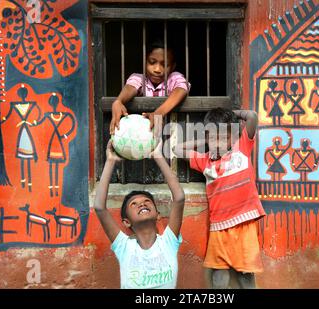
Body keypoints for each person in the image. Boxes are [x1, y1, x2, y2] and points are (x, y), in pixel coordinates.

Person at [174, 107, 265, 289]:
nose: (219, 142)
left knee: (246, 274)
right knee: (219, 275)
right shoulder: (205, 161)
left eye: (224, 136)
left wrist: (232, 115)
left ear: (234, 136)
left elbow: (252, 116)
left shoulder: (242, 148)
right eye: (213, 137)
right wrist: (205, 138)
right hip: (219, 227)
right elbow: (177, 149)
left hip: (244, 224)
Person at [93, 137, 185, 289]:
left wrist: (158, 156)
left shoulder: (168, 242)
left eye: (147, 201)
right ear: (127, 222)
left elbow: (179, 198)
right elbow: (99, 208)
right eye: (134, 204)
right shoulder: (124, 247)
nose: (142, 203)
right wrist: (110, 161)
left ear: (158, 215)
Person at [110, 40, 190, 133]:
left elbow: (181, 89)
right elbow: (131, 86)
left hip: (171, 134)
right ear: (145, 62)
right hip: (142, 135)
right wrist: (119, 101)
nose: (157, 69)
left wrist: (158, 113)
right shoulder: (140, 78)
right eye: (152, 62)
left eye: (164, 65)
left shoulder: (173, 78)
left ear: (172, 67)